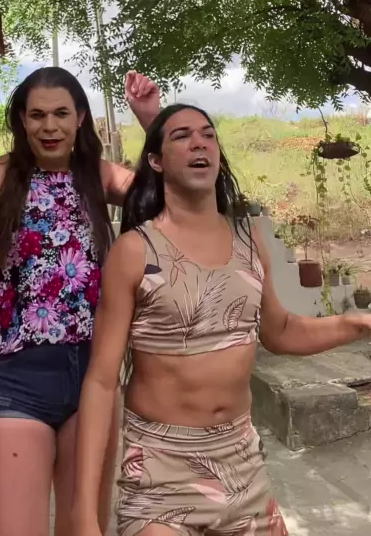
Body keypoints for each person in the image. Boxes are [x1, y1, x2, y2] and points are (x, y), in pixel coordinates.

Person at [73, 103, 371, 536]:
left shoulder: (249, 243)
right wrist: (84, 513)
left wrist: (358, 323)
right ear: (156, 162)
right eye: (181, 136)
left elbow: (280, 331)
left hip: (242, 468)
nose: (199, 143)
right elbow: (102, 381)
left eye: (208, 135)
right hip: (160, 475)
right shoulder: (135, 251)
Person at [0, 66, 160, 536]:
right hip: (15, 381)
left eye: (61, 113)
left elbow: (164, 194)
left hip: (94, 379)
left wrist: (151, 119)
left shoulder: (95, 176)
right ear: (22, 120)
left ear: (80, 118)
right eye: (37, 115)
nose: (49, 126)